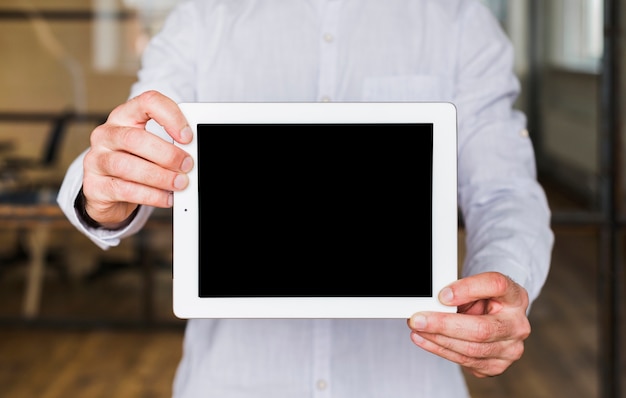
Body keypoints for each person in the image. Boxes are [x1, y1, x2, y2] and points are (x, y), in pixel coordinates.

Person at [57, 0, 554, 397]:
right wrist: (103, 186)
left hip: (406, 383)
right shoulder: (202, 19)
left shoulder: (458, 20)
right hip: (230, 384)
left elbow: (505, 190)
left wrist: (501, 282)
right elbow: (136, 139)